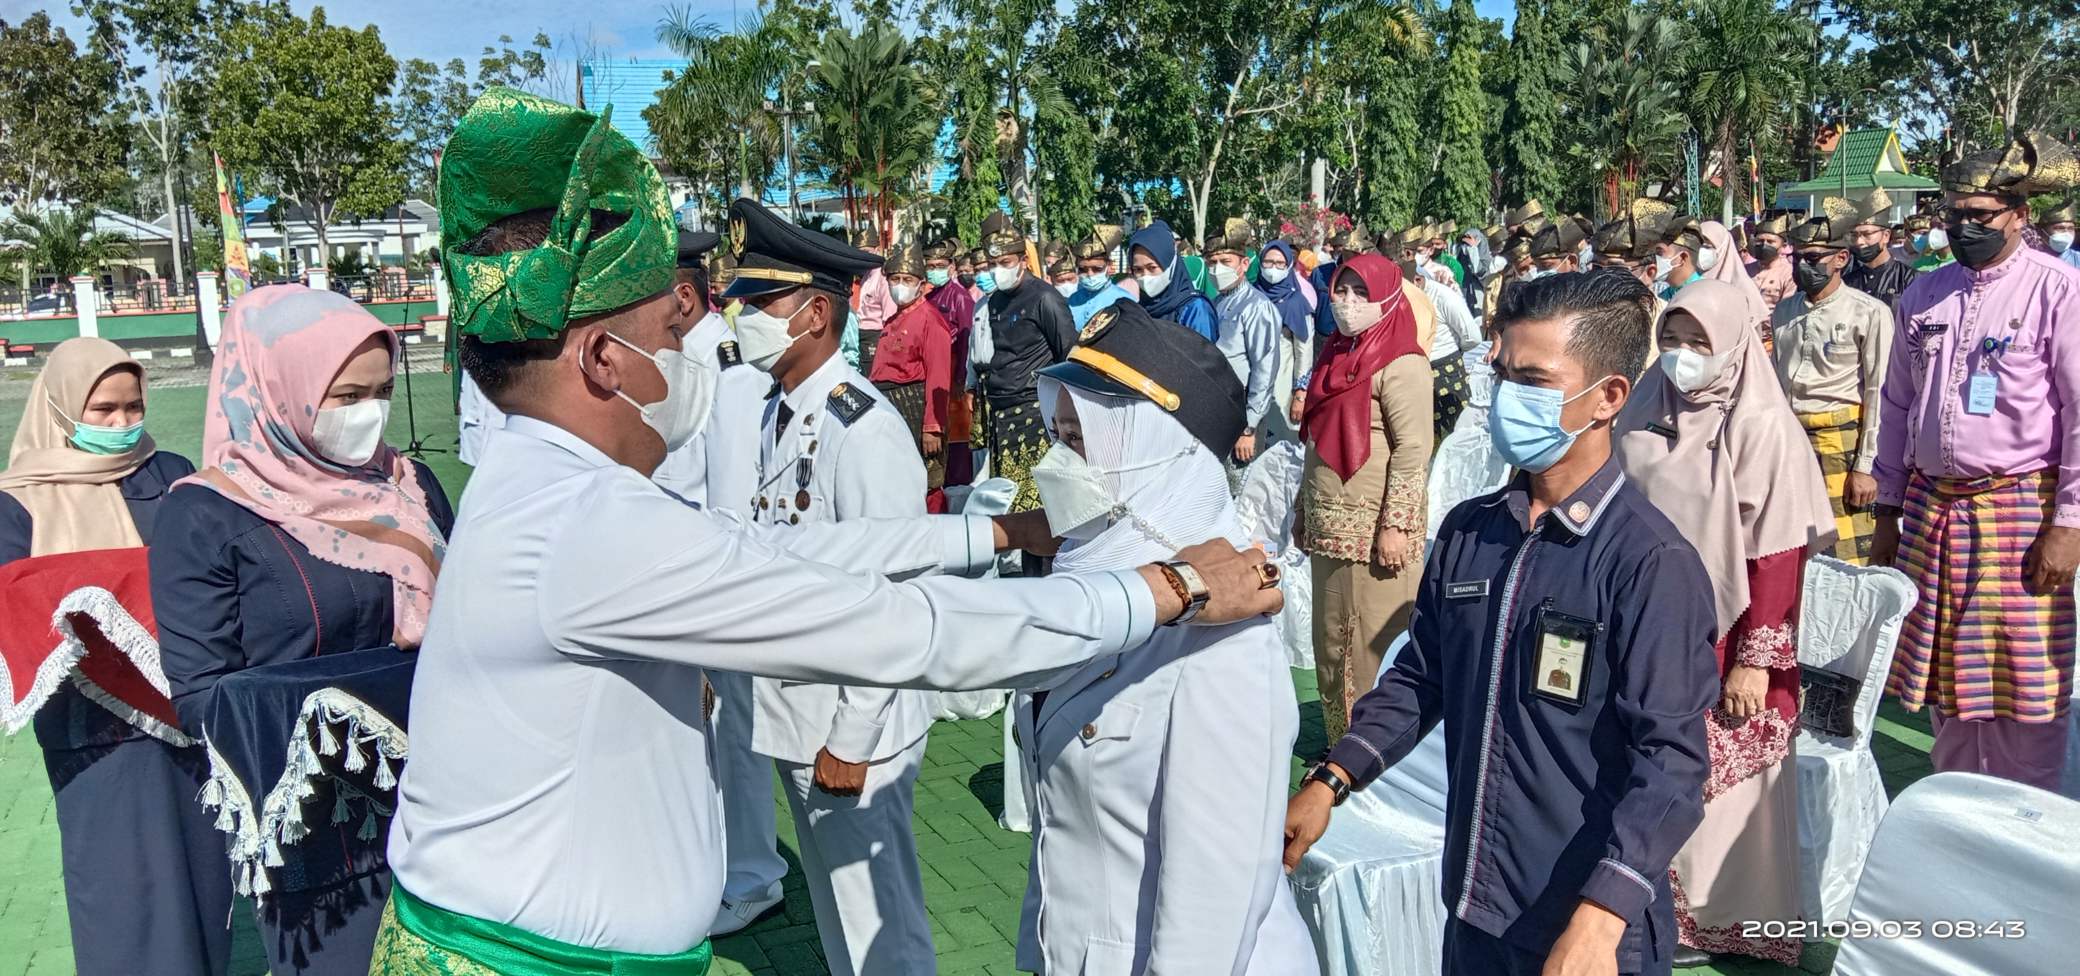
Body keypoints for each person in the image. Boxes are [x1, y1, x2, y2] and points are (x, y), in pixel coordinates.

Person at [374, 88, 1281, 972]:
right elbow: (908, 629)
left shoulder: (542, 485)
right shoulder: (586, 520)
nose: (701, 348)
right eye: (671, 327)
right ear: (606, 360)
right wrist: (1170, 589)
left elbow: (784, 552)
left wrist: (996, 539)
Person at [1285, 270, 1719, 976]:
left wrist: (1604, 913)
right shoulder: (1471, 533)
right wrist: (1333, 777)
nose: (1507, 397)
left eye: (1534, 380)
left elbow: (1670, 765)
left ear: (1608, 397)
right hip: (1475, 907)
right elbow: (1421, 676)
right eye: (1503, 373)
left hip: (1583, 931)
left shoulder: (1649, 563)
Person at [154, 285, 454, 976]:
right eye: (346, 397)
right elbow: (203, 695)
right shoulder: (206, 514)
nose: (369, 416)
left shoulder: (410, 485)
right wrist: (347, 713)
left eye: (380, 392)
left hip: (446, 802)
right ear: (279, 393)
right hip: (323, 834)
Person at [1019, 299, 1319, 975]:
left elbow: (1208, 910)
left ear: (1157, 453)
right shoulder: (1098, 577)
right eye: (1058, 434)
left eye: (1078, 442)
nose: (1054, 463)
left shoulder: (1224, 638)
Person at [737, 214, 939, 975]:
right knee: (839, 925)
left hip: (853, 726)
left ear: (815, 314)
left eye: (762, 306)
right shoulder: (780, 406)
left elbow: (893, 594)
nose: (745, 321)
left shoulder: (862, 429)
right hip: (798, 713)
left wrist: (853, 738)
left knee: (879, 932)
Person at [1616, 280, 1835, 968]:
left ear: (1735, 344)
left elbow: (1776, 553)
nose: (1681, 356)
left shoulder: (1760, 422)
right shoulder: (1650, 399)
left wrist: (1755, 660)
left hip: (1729, 637)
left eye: (1698, 343)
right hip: (1646, 618)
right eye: (1672, 340)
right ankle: (1650, 905)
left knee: (1725, 786)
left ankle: (1726, 921)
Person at [0, 339, 228, 976]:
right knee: (122, 886)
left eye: (134, 407)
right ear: (60, 408)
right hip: (93, 729)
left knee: (204, 873)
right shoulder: (18, 500)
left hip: (186, 712)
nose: (124, 425)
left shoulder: (171, 470)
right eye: (103, 410)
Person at [1872, 131, 2080, 793]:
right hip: (1934, 510)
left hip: (2022, 508)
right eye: (1954, 214)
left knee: (2025, 688)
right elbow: (1897, 406)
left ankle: (2026, 836)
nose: (1964, 227)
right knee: (1949, 691)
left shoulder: (2059, 291)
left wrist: (2069, 524)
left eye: (1980, 215)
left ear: (2021, 214)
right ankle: (1954, 827)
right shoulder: (1924, 294)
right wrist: (1885, 509)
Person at [650, 232, 791, 936]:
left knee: (735, 731)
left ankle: (753, 874)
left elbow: (730, 503)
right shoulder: (678, 359)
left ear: (681, 295)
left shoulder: (725, 372)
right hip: (677, 574)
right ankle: (725, 860)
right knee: (706, 733)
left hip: (712, 580)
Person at [1295, 253, 1434, 741]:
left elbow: (1415, 448)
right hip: (1329, 531)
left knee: (1371, 645)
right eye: (1341, 292)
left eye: (1361, 294)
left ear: (1388, 299)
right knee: (1331, 643)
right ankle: (1339, 747)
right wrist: (1301, 510)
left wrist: (1396, 524)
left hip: (1376, 532)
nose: (1348, 303)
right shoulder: (1335, 353)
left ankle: (1371, 756)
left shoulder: (1403, 363)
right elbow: (1316, 442)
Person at [1773, 207, 1896, 564]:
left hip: (1841, 440)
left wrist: (1866, 466)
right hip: (1792, 439)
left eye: (1813, 258)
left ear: (1841, 258)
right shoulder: (1784, 312)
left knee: (1847, 555)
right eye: (1797, 258)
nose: (1802, 267)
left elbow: (1879, 392)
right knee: (1794, 547)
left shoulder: (1868, 312)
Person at [976, 211, 1078, 519]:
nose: (998, 271)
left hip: (1035, 413)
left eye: (1006, 263)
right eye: (993, 264)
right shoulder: (995, 301)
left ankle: (1043, 568)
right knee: (1006, 507)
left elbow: (1069, 354)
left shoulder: (1045, 298)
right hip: (1001, 413)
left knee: (1037, 509)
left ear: (1022, 259)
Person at [872, 239, 956, 511]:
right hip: (892, 409)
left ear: (921, 284)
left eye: (907, 279)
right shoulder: (893, 320)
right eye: (894, 279)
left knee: (927, 483)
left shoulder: (930, 320)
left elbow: (939, 377)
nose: (900, 285)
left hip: (915, 406)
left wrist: (932, 427)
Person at [1395, 225, 1483, 443]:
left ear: (1417, 280)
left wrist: (1446, 351)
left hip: (1447, 372)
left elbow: (1472, 336)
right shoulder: (1397, 297)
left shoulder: (1442, 295)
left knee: (1456, 437)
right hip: (1413, 375)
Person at [1205, 218, 1282, 462]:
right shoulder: (1218, 301)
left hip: (1243, 414)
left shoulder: (1257, 307)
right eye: (1212, 263)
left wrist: (1248, 427)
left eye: (1225, 262)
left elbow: (1265, 368)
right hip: (1218, 408)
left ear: (1245, 264)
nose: (1218, 269)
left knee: (1241, 490)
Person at [925, 238, 979, 488]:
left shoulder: (960, 298)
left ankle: (958, 484)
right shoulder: (931, 295)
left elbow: (967, 339)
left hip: (954, 368)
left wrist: (961, 378)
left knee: (958, 432)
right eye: (931, 265)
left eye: (939, 264)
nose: (934, 269)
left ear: (951, 267)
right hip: (935, 370)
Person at [1256, 239, 1316, 433]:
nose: (1273, 268)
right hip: (1251, 383)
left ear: (1289, 265)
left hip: (1282, 385)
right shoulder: (1251, 295)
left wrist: (1300, 393)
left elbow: (1304, 351)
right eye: (1268, 262)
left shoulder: (1296, 302)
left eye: (1280, 263)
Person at [1129, 220, 1218, 342]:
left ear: (1171, 265)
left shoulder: (1194, 309)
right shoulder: (1139, 309)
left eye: (1152, 268)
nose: (1145, 276)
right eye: (1138, 269)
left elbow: (1204, 358)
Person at [1841, 190, 1918, 307]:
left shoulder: (1909, 278)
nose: (1859, 242)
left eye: (1867, 234)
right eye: (1854, 235)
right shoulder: (1846, 282)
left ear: (1886, 235)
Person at [1068, 224, 1134, 329]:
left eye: (1097, 269)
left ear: (1109, 266)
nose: (1090, 274)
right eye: (1082, 269)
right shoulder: (1072, 300)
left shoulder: (1125, 300)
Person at [852, 224, 891, 370]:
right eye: (859, 253)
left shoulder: (883, 278)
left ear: (877, 250)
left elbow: (889, 317)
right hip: (862, 335)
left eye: (867, 252)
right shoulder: (866, 274)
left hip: (876, 336)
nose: (863, 256)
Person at [1748, 214, 1796, 313]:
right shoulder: (1745, 270)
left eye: (1770, 242)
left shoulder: (1790, 274)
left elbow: (1786, 310)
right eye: (1760, 241)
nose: (1764, 245)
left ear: (1783, 246)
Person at [2039, 203, 2080, 269]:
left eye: (2071, 228)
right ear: (2042, 232)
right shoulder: (2032, 261)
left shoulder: (2078, 259)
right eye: (2060, 228)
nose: (2066, 233)